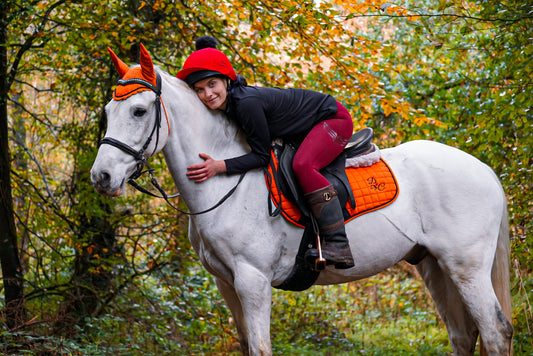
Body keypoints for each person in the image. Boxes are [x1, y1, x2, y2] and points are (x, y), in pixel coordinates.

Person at [177, 36, 354, 269]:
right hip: (305, 127)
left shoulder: (245, 104)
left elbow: (261, 157)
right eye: (199, 90)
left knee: (303, 165)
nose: (207, 94)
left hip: (333, 119)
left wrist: (220, 166)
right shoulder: (229, 104)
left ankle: (338, 243)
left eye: (212, 84)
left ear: (226, 81)